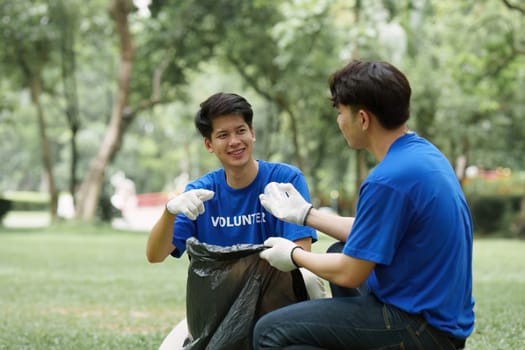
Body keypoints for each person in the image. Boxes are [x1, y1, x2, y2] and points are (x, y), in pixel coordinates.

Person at [253, 60, 475, 349]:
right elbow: (369, 232)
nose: (339, 121)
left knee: (269, 331)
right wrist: (306, 215)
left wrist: (294, 254)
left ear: (363, 119)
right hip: (442, 321)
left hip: (421, 329)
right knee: (339, 249)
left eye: (340, 112)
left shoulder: (388, 179)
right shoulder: (421, 154)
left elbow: (350, 272)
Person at [146, 92, 322, 349]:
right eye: (223, 135)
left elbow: (302, 254)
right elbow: (155, 255)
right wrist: (170, 212)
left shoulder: (286, 180)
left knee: (307, 277)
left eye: (240, 130)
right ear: (209, 144)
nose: (235, 141)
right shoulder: (201, 192)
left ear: (252, 132)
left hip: (277, 299)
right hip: (220, 306)